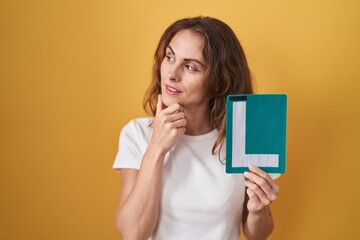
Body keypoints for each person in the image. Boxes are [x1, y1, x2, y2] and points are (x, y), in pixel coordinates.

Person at [113, 16, 280, 240]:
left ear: (218, 81)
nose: (172, 74)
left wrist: (258, 210)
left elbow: (257, 235)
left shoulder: (244, 138)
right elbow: (132, 233)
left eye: (190, 67)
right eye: (169, 57)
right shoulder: (136, 134)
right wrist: (156, 148)